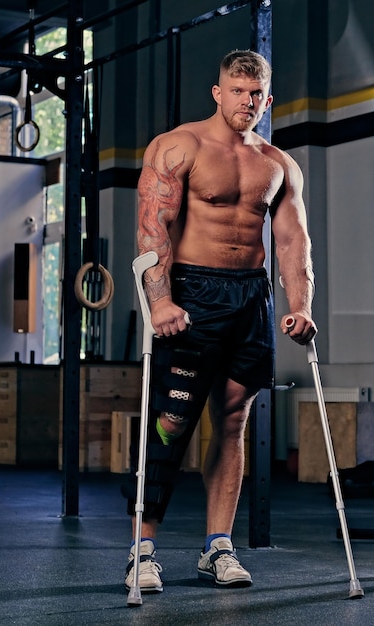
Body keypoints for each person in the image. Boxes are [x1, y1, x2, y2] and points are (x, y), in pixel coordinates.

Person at [124, 49, 317, 592]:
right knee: (171, 421)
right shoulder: (179, 146)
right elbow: (152, 228)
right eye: (237, 91)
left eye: (256, 94)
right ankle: (142, 549)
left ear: (268, 98)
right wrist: (159, 300)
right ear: (218, 91)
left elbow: (293, 242)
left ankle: (218, 547)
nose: (247, 102)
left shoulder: (278, 164)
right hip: (191, 292)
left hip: (250, 297)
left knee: (233, 421)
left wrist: (300, 306)